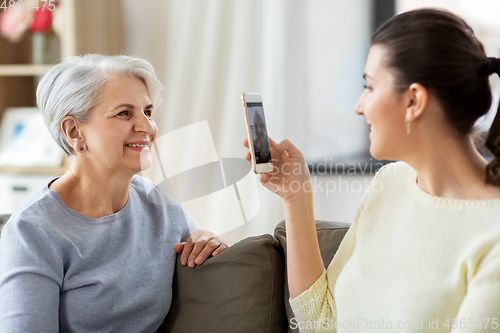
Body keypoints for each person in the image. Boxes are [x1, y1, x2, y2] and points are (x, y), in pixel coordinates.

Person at [244, 8, 500, 332]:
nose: (359, 105)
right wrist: (297, 196)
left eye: (369, 87)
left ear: (413, 101)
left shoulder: (492, 239)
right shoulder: (389, 183)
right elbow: (322, 320)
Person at [0, 54, 229, 332]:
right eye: (124, 113)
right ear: (74, 132)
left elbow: (203, 245)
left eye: (147, 112)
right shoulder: (31, 231)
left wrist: (209, 241)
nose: (147, 127)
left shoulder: (154, 202)